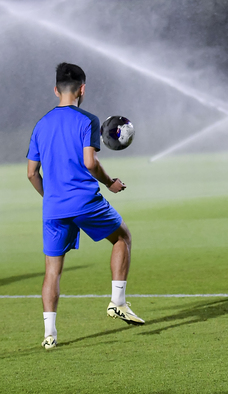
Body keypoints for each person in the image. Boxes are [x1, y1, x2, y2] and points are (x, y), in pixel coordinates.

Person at [27, 62, 145, 350]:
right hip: (85, 201)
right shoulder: (88, 120)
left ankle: (50, 334)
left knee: (52, 270)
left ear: (56, 90)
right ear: (82, 89)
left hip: (54, 209)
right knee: (122, 237)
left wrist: (51, 198)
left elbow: (31, 173)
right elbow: (90, 163)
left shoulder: (41, 125)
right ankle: (117, 302)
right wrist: (111, 183)